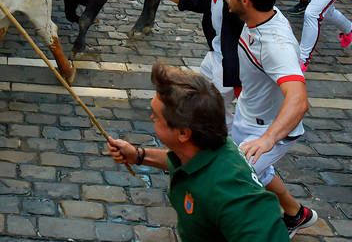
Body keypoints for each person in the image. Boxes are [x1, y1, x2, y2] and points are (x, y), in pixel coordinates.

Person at [106, 63, 290, 242]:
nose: (151, 117)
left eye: (156, 115)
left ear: (184, 133)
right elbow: (183, 162)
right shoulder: (207, 147)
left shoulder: (232, 194)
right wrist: (138, 155)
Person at [200, 0, 318, 238]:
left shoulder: (276, 46)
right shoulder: (257, 14)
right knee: (260, 172)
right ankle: (296, 214)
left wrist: (268, 140)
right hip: (247, 115)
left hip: (267, 129)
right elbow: (235, 5)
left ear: (245, 1)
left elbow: (299, 101)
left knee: (226, 181)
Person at [151, 0, 245, 124]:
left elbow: (249, 17)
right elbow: (202, 1)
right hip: (216, 54)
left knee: (213, 110)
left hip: (231, 61)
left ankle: (223, 146)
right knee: (199, 95)